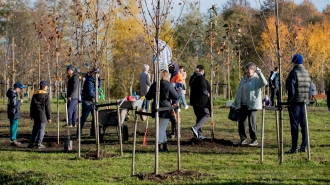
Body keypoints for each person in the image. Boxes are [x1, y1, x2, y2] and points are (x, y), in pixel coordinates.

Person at [233, 62, 267, 146]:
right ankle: (243, 139)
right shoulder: (243, 79)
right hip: (242, 104)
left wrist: (260, 73)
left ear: (253, 70)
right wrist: (235, 103)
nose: (247, 71)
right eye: (246, 70)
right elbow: (239, 92)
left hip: (252, 105)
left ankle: (254, 140)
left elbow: (264, 83)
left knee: (252, 122)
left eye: (249, 69)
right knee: (241, 123)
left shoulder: (256, 79)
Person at [145, 70, 178, 152]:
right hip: (165, 108)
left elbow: (148, 97)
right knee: (162, 128)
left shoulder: (154, 85)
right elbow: (176, 96)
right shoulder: (169, 85)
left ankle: (165, 145)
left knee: (160, 127)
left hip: (156, 107)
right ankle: (158, 145)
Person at [285, 54, 311, 154]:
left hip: (295, 102)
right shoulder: (307, 72)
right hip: (304, 102)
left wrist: (290, 100)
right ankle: (304, 146)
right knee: (304, 125)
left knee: (294, 125)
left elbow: (291, 88)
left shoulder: (293, 72)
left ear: (294, 62)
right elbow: (309, 87)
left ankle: (294, 147)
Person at [189, 65, 211, 139]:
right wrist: (207, 93)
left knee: (199, 116)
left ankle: (199, 134)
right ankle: (196, 127)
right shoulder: (201, 77)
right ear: (202, 71)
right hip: (201, 101)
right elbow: (203, 88)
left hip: (194, 101)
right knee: (206, 114)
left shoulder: (192, 77)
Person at [28, 80, 51, 149]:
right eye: (47, 86)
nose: (47, 88)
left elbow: (32, 106)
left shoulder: (35, 95)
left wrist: (31, 114)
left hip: (36, 115)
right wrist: (49, 117)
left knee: (35, 128)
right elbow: (48, 107)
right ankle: (39, 143)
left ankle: (31, 142)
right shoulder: (46, 96)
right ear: (43, 87)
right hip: (43, 115)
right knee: (41, 129)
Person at [79, 68, 101, 136]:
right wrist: (96, 96)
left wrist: (99, 80)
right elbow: (90, 92)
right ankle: (79, 131)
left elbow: (98, 86)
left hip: (93, 102)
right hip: (87, 101)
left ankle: (93, 132)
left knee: (95, 117)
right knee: (84, 117)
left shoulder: (94, 80)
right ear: (94, 74)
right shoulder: (89, 81)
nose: (99, 75)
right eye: (97, 74)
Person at [6, 82, 25, 146]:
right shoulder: (13, 94)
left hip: (12, 112)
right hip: (13, 113)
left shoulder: (12, 93)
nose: (20, 90)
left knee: (14, 125)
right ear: (16, 88)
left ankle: (13, 139)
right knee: (14, 126)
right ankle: (13, 140)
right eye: (20, 88)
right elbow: (14, 104)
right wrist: (20, 102)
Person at [168, 62, 183, 136]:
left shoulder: (178, 75)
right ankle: (173, 132)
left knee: (176, 116)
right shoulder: (172, 75)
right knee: (172, 116)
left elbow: (179, 87)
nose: (170, 69)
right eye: (170, 67)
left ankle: (178, 132)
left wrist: (177, 99)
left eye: (172, 67)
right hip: (171, 98)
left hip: (175, 99)